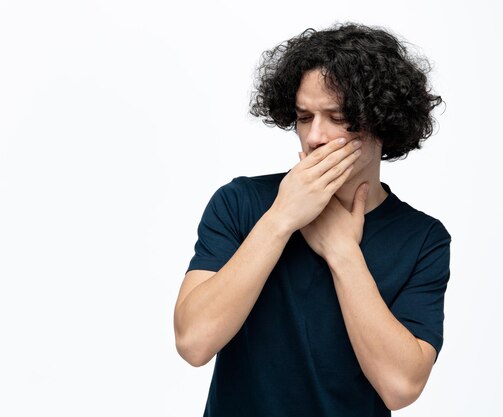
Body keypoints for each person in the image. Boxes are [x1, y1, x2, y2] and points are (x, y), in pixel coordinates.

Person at [174, 22, 451, 416]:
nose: (315, 136)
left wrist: (342, 252)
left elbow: (400, 387)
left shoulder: (423, 238)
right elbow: (193, 342)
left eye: (337, 117)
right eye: (304, 117)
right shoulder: (241, 203)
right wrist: (281, 219)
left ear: (382, 122)